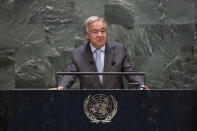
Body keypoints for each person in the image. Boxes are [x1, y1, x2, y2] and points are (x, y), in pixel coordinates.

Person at [50, 16, 147, 90]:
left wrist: (141, 86)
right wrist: (62, 87)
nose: (100, 35)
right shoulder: (78, 53)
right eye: (95, 31)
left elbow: (131, 72)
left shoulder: (119, 50)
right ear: (87, 34)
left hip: (116, 103)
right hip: (89, 105)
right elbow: (70, 74)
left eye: (103, 31)